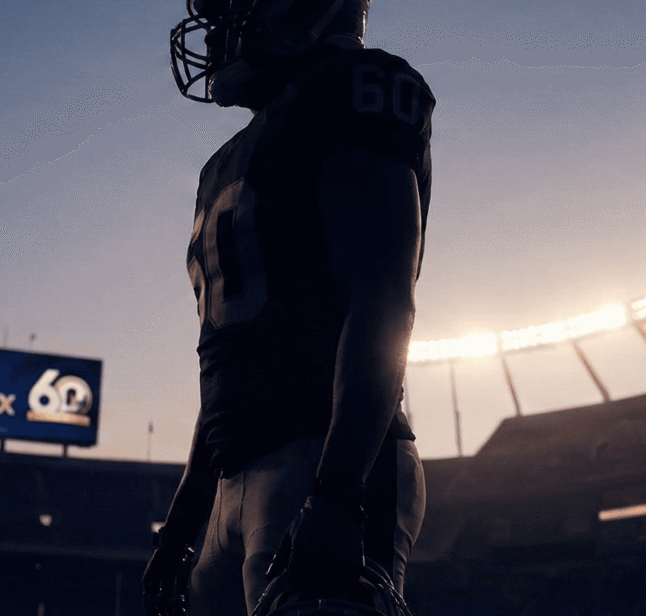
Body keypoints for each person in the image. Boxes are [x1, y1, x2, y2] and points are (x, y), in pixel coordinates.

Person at [144, 0, 435, 614]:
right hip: (234, 473)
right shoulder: (224, 162)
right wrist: (183, 520)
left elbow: (382, 300)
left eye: (238, 8)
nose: (223, 29)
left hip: (320, 452)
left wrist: (338, 491)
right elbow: (229, 354)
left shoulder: (353, 90)